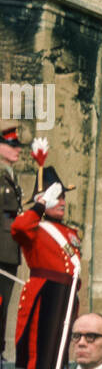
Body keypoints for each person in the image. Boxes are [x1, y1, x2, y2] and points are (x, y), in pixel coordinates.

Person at [12, 161, 81, 369]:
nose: (63, 201)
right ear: (43, 200)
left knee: (57, 367)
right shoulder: (35, 226)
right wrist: (39, 206)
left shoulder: (67, 233)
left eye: (64, 196)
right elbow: (18, 227)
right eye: (57, 196)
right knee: (39, 368)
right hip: (45, 297)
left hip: (65, 298)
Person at [0, 125, 24, 357]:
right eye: (11, 145)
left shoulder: (10, 175)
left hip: (8, 252)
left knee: (3, 304)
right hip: (1, 251)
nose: (17, 150)